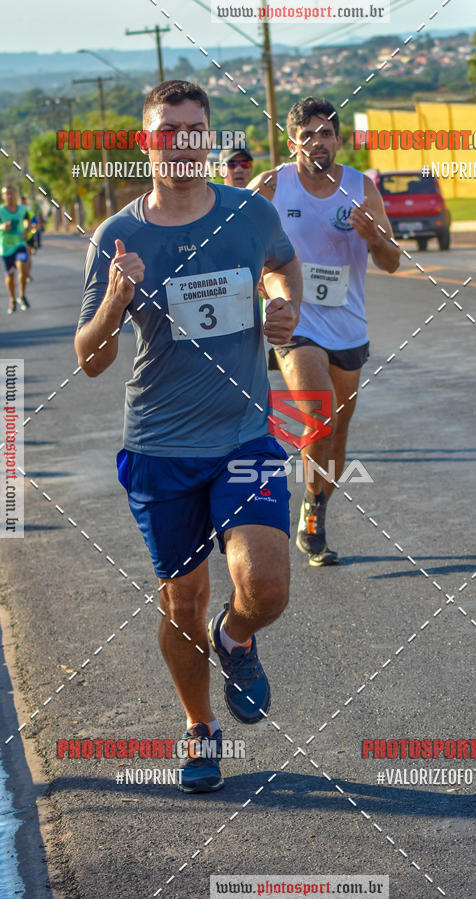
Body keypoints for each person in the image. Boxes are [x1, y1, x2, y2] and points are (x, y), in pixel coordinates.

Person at [75, 80, 302, 793]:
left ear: (208, 137)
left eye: (192, 130)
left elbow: (282, 265)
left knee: (266, 586)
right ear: (147, 142)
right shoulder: (118, 236)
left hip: (244, 437)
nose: (180, 142)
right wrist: (116, 299)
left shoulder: (250, 213)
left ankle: (236, 638)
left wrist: (283, 304)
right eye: (166, 130)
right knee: (181, 603)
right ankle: (200, 727)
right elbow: (89, 358)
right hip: (161, 447)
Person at [249, 97, 400, 567]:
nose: (319, 141)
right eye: (309, 134)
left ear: (338, 140)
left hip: (348, 326)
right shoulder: (270, 187)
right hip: (297, 323)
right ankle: (311, 510)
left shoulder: (360, 187)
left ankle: (315, 507)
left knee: (337, 431)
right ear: (292, 142)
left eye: (327, 133)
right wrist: (263, 281)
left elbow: (392, 261)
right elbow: (234, 247)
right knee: (319, 413)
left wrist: (373, 236)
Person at [0, 186, 31, 313]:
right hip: (6, 248)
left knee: (22, 267)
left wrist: (27, 230)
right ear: (3, 196)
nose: (9, 196)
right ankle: (12, 299)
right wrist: (2, 226)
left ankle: (22, 296)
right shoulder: (1, 211)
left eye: (11, 193)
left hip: (20, 245)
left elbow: (29, 220)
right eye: (6, 194)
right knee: (10, 275)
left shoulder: (22, 209)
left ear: (15, 195)